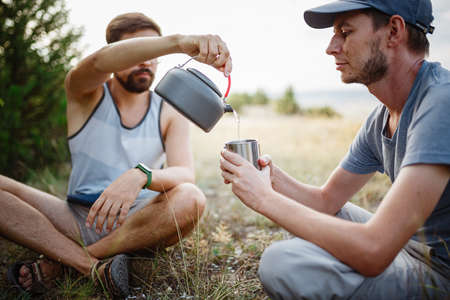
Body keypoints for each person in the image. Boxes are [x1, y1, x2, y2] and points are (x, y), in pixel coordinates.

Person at [220, 0, 449, 299]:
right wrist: (271, 178)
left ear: (394, 31)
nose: (331, 47)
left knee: (284, 262)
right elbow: (326, 201)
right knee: (328, 217)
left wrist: (263, 198)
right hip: (409, 246)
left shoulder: (441, 103)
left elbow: (376, 249)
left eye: (345, 31)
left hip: (441, 274)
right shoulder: (383, 116)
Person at [1, 12, 232, 297]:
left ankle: (65, 265)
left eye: (153, 52)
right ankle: (90, 265)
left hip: (141, 223)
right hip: (75, 218)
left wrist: (140, 175)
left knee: (191, 197)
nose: (147, 60)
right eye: (137, 51)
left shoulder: (168, 109)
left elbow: (184, 173)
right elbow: (99, 62)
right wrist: (178, 43)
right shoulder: (84, 92)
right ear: (116, 56)